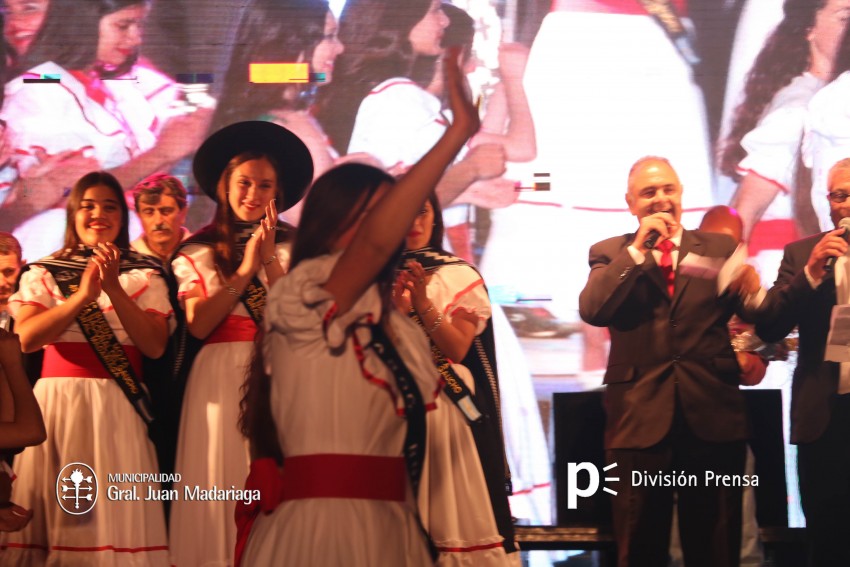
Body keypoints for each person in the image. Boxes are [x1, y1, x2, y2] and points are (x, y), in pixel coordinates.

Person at [237, 47, 478, 566]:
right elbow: (369, 249)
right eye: (374, 217)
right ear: (332, 221)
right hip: (319, 530)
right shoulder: (302, 296)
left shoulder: (398, 328)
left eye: (387, 216)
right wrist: (457, 133)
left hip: (392, 527)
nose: (386, 231)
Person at [578, 156, 762, 567]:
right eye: (649, 193)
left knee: (715, 547)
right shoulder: (610, 253)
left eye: (668, 190)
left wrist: (753, 297)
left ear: (681, 195)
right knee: (639, 547)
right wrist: (637, 251)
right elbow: (593, 309)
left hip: (712, 418)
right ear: (630, 203)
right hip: (640, 422)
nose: (661, 199)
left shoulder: (718, 248)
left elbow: (761, 318)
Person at [1, 170, 171, 566]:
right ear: (73, 213)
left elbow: (155, 346)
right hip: (58, 405)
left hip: (119, 405)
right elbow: (26, 339)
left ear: (123, 217)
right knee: (62, 518)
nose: (99, 214)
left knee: (111, 521)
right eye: (88, 205)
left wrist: (113, 288)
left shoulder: (144, 273)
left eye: (110, 206)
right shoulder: (44, 272)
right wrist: (83, 296)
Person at [168, 120, 313, 567]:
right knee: (221, 476)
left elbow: (302, 322)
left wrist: (269, 261)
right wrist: (244, 270)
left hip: (284, 375)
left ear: (280, 192)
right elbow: (198, 324)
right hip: (218, 378)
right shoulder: (197, 251)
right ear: (224, 186)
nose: (253, 194)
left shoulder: (301, 248)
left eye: (265, 185)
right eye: (244, 183)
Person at [0, 0, 211, 260]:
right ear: (81, 24)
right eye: (123, 26)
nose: (135, 37)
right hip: (62, 247)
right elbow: (70, 194)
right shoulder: (38, 86)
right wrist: (162, 153)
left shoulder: (111, 85)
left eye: (139, 25)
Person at [394, 192, 517, 565]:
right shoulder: (370, 275)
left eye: (422, 211)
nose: (414, 222)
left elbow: (459, 348)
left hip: (444, 405)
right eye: (403, 212)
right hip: (388, 403)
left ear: (435, 217)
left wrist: (421, 306)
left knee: (450, 521)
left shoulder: (457, 273)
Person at [316, 0, 507, 208]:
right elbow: (384, 208)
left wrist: (465, 193)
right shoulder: (396, 94)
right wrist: (471, 169)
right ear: (402, 16)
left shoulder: (360, 87)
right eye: (435, 10)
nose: (444, 21)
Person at [754, 157, 850, 567]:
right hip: (823, 418)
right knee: (827, 540)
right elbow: (771, 326)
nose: (846, 203)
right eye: (839, 194)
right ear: (827, 202)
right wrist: (810, 274)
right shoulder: (801, 255)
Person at [720, 0, 850, 279]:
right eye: (845, 17)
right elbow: (743, 212)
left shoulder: (834, 96)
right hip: (782, 273)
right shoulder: (798, 107)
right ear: (808, 28)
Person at [210, 0, 344, 186]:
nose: (340, 48)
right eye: (329, 36)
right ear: (291, 42)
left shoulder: (242, 111)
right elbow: (320, 213)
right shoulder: (295, 128)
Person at [131, 173, 189, 262]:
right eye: (149, 212)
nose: (158, 221)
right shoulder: (126, 260)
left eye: (166, 211)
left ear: (183, 213)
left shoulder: (205, 254)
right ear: (139, 216)